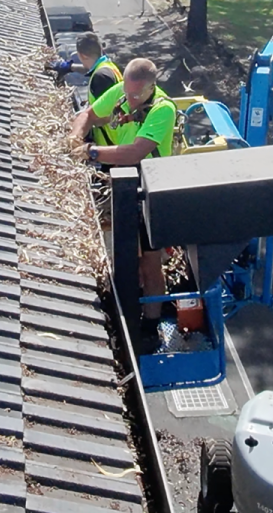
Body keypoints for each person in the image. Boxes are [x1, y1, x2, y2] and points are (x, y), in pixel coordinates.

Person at [69, 57, 177, 333]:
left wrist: (92, 152)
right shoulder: (120, 92)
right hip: (121, 182)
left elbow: (135, 151)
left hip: (150, 188)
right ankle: (126, 309)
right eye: (127, 92)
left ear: (152, 87)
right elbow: (88, 114)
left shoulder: (162, 110)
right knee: (125, 254)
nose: (129, 98)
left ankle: (151, 324)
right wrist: (73, 139)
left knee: (151, 262)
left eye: (136, 94)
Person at [49, 32, 122, 145]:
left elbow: (108, 116)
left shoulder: (100, 78)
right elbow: (90, 68)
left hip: (112, 144)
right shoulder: (108, 65)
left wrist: (81, 120)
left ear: (81, 55)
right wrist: (70, 67)